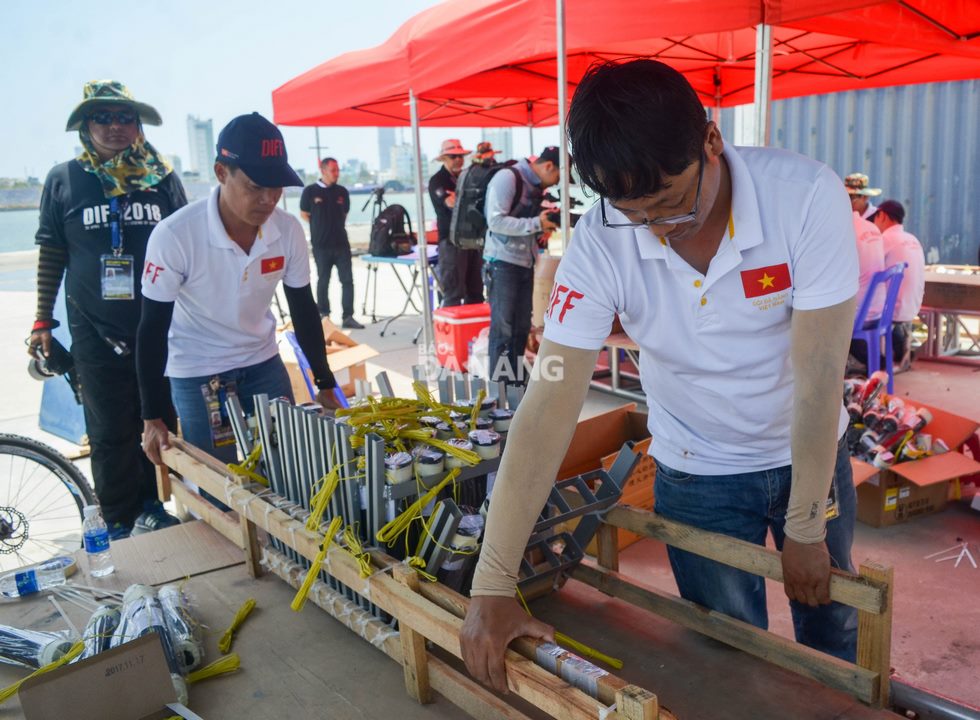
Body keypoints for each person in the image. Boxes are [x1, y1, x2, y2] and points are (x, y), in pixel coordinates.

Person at [461, 59, 860, 691]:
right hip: (696, 466)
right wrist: (493, 581)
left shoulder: (805, 197)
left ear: (710, 138)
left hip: (805, 452)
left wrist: (807, 523)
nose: (660, 231)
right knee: (727, 652)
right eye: (636, 215)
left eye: (674, 204)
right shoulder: (599, 242)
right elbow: (550, 402)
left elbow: (817, 376)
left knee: (833, 630)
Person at [137, 113, 342, 470]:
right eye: (255, 186)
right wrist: (152, 416)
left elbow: (303, 309)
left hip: (262, 361)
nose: (268, 200)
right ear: (221, 173)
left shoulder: (287, 230)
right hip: (199, 368)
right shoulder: (175, 235)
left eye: (276, 187)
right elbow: (152, 328)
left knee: (291, 471)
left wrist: (324, 381)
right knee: (220, 483)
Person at [30, 80, 186, 539]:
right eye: (103, 117)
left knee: (157, 414)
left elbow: (186, 243)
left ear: (137, 124)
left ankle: (155, 505)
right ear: (85, 125)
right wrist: (43, 319)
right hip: (92, 325)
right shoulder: (64, 179)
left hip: (157, 324)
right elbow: (51, 251)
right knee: (107, 426)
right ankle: (118, 515)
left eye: (125, 117)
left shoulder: (161, 176)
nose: (115, 126)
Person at [482, 147, 560, 382]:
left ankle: (514, 385)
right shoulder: (508, 177)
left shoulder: (535, 187)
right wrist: (537, 222)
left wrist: (541, 229)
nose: (555, 183)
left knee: (520, 329)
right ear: (548, 166)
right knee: (503, 330)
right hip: (502, 263)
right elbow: (495, 221)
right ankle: (500, 391)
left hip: (524, 262)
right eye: (557, 177)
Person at [299, 157, 363, 329]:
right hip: (321, 245)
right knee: (323, 280)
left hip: (341, 244)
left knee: (347, 281)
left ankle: (348, 316)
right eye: (333, 170)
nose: (336, 174)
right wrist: (319, 226)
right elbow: (304, 213)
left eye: (338, 170)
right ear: (323, 170)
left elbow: (344, 214)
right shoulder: (310, 191)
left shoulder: (342, 192)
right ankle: (324, 315)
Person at [429, 139, 483, 306]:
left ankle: (473, 329)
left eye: (460, 156)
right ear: (444, 158)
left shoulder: (467, 176)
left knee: (475, 290)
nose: (458, 160)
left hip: (472, 239)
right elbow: (450, 202)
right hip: (451, 241)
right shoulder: (438, 180)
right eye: (453, 156)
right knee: (453, 292)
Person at [872, 200, 925, 369]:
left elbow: (868, 270)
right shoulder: (913, 239)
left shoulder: (884, 239)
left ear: (882, 215)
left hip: (890, 312)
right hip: (913, 306)